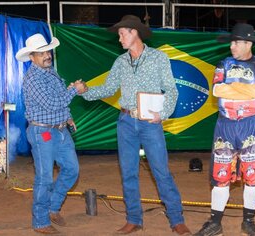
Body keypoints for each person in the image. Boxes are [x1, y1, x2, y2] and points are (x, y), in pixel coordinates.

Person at [82, 15, 191, 235]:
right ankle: (134, 219)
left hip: (150, 123)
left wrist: (163, 114)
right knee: (128, 172)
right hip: (125, 122)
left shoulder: (158, 58)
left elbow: (171, 89)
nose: (119, 38)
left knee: (161, 171)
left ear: (134, 32)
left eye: (122, 34)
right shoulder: (120, 62)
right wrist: (86, 91)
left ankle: (176, 219)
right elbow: (108, 89)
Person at [194, 23, 255, 236]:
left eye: (236, 42)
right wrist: (250, 92)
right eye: (231, 42)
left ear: (248, 43)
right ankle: (215, 222)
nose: (232, 46)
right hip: (225, 125)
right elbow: (217, 90)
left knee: (253, 176)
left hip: (253, 125)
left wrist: (233, 90)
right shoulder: (222, 64)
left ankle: (248, 220)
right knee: (220, 174)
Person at [16, 33, 87, 234]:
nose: (47, 55)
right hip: (42, 132)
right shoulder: (32, 79)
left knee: (72, 170)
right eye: (41, 53)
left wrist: (68, 116)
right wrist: (75, 91)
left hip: (59, 129)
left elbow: (58, 98)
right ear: (32, 57)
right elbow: (52, 103)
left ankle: (52, 207)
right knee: (44, 177)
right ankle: (40, 221)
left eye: (47, 51)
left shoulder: (50, 72)